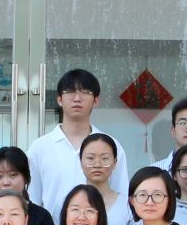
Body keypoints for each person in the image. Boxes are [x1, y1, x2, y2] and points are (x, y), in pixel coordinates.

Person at [29, 69, 127, 213]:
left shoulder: (111, 146)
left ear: (96, 100)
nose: (77, 98)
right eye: (70, 92)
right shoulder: (40, 148)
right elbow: (32, 201)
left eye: (85, 92)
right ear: (59, 99)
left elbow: (121, 197)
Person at [80, 132, 133, 225]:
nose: (97, 164)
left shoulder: (128, 205)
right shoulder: (66, 203)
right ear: (80, 161)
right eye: (90, 158)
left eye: (105, 158)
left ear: (115, 162)